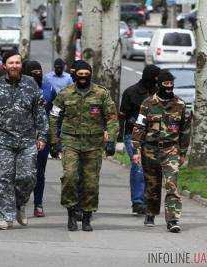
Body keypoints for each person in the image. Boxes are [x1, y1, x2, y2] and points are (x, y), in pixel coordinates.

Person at [0, 51, 48, 230]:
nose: (14, 66)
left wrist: (43, 135)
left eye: (17, 62)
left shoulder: (30, 84)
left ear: (21, 65)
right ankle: (6, 216)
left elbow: (40, 112)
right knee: (3, 179)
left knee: (28, 177)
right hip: (2, 139)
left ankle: (19, 204)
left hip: (27, 140)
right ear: (4, 66)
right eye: (11, 63)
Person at [51, 60, 118, 231]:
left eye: (86, 75)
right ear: (74, 76)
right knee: (70, 177)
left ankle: (87, 216)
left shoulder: (101, 93)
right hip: (70, 141)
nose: (82, 78)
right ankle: (71, 213)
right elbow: (53, 117)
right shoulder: (65, 94)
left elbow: (111, 117)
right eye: (79, 75)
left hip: (93, 144)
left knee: (90, 182)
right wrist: (54, 141)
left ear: (90, 75)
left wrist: (111, 141)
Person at [132, 70, 191, 233]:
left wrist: (183, 152)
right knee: (152, 184)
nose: (169, 88)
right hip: (150, 149)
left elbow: (185, 131)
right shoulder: (148, 104)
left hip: (171, 149)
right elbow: (139, 126)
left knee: (172, 185)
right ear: (159, 85)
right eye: (165, 85)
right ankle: (150, 212)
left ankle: (172, 219)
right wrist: (136, 149)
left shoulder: (180, 105)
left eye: (171, 85)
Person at [119, 65, 160, 215]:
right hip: (133, 136)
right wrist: (118, 137)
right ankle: (137, 202)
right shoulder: (131, 92)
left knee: (151, 169)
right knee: (139, 167)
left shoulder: (158, 93)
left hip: (153, 137)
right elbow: (122, 115)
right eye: (156, 79)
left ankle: (147, 199)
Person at [25, 60, 57, 218]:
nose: (37, 74)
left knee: (39, 173)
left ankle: (38, 204)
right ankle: (20, 203)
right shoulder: (17, 87)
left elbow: (56, 113)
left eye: (39, 71)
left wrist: (55, 139)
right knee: (22, 174)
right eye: (33, 72)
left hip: (42, 138)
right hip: (20, 137)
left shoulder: (49, 87)